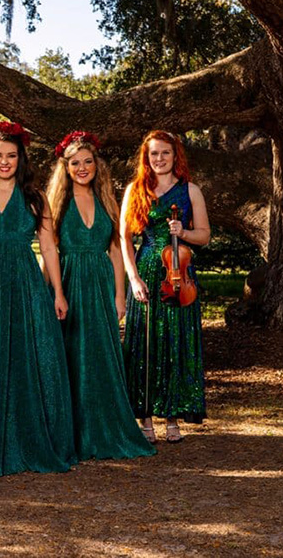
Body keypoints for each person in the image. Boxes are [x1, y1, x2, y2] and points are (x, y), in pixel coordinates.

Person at [0, 121, 76, 476]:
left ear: (20, 157)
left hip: (25, 284)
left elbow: (49, 248)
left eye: (11, 155)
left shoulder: (34, 196)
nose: (5, 162)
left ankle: (26, 441)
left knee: (26, 356)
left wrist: (57, 291)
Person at [46, 131, 156, 460]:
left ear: (97, 165)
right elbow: (48, 250)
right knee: (69, 356)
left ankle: (107, 429)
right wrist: (51, 293)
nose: (82, 168)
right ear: (65, 168)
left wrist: (120, 295)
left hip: (100, 285)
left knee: (101, 355)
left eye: (88, 162)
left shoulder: (107, 199)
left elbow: (116, 250)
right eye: (75, 163)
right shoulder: (57, 203)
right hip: (67, 282)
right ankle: (73, 435)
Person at [120, 130, 210, 444]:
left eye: (165, 153)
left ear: (175, 156)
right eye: (154, 154)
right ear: (147, 158)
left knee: (175, 342)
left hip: (179, 274)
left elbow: (204, 236)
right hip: (146, 270)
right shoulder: (135, 189)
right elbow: (124, 239)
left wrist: (182, 231)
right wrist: (133, 278)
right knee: (144, 344)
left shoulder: (191, 191)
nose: (159, 159)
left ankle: (172, 417)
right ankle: (144, 419)